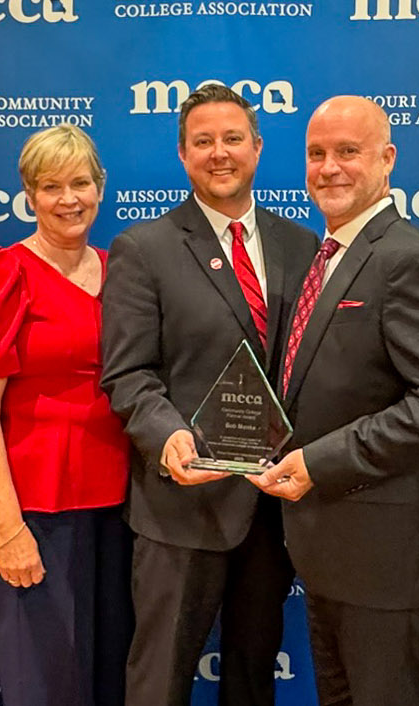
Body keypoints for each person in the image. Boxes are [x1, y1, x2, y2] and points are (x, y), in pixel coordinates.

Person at [250, 95, 419, 705]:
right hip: (330, 554)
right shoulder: (328, 256)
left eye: (348, 152)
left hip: (389, 562)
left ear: (388, 159)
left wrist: (319, 463)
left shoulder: (407, 260)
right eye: (316, 154)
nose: (329, 168)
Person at [100, 83, 318, 706]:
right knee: (160, 678)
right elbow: (128, 374)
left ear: (257, 146)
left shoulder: (303, 247)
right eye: (203, 142)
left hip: (274, 505)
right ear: (183, 154)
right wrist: (166, 433)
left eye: (231, 139)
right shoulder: (144, 250)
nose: (218, 153)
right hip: (181, 505)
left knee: (254, 677)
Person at [0, 124, 132, 706]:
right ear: (29, 196)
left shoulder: (121, 270)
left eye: (80, 182)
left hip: (120, 506)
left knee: (113, 674)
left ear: (101, 188)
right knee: (46, 682)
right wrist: (9, 531)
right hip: (36, 508)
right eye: (51, 186)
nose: (69, 199)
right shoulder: (1, 271)